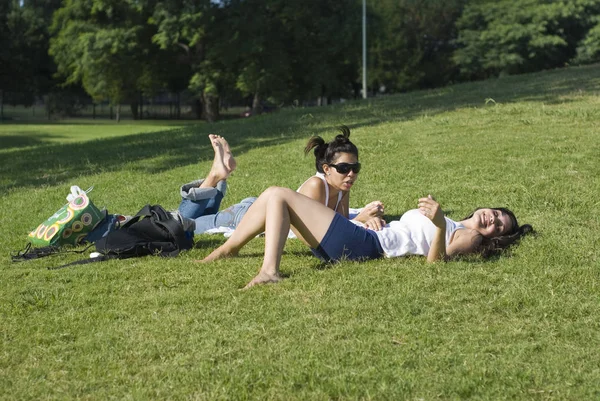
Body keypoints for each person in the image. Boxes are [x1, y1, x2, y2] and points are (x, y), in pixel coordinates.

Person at [200, 187, 533, 288]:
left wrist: (441, 226)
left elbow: (436, 263)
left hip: (366, 247)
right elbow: (408, 232)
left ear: (494, 237)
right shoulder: (448, 219)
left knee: (279, 196)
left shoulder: (467, 236)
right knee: (271, 196)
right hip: (364, 235)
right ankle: (228, 249)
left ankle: (269, 271)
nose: (493, 221)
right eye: (497, 214)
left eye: (499, 227)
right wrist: (372, 219)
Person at [178, 127, 383, 235]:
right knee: (180, 225)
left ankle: (217, 176)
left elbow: (340, 222)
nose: (351, 174)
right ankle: (215, 176)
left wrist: (363, 218)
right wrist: (361, 218)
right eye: (344, 168)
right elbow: (313, 229)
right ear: (327, 169)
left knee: (193, 220)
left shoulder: (341, 186)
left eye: (355, 168)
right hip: (244, 218)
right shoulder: (316, 186)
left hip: (257, 208)